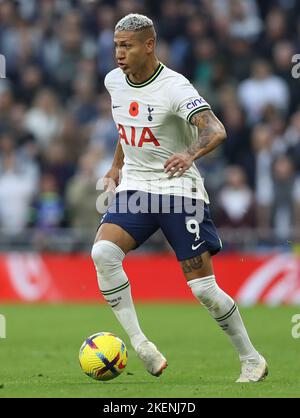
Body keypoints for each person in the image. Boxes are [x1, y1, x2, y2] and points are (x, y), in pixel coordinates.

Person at [91, 13, 268, 383]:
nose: (119, 53)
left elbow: (216, 130)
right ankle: (141, 344)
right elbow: (128, 131)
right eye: (116, 46)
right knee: (103, 253)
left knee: (204, 289)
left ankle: (251, 358)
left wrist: (188, 155)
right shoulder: (114, 82)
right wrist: (114, 168)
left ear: (149, 45)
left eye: (127, 46)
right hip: (137, 187)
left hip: (177, 191)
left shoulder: (174, 87)